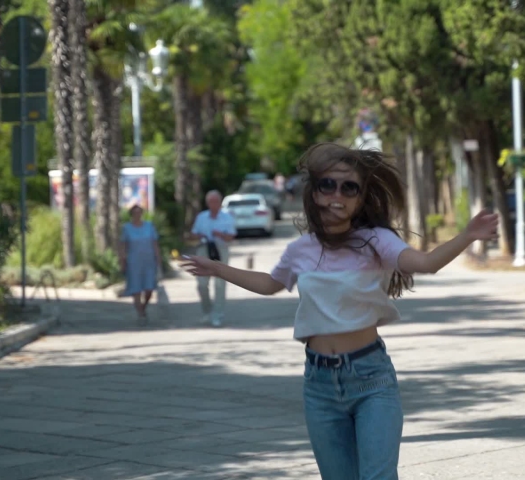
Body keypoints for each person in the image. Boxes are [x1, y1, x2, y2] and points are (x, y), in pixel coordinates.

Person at [181, 143, 499, 479]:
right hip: (318, 385)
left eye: (350, 188)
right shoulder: (300, 250)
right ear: (315, 192)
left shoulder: (376, 240)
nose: (338, 194)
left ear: (360, 199)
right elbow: (270, 283)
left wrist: (468, 235)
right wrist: (218, 268)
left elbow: (425, 263)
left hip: (371, 378)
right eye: (328, 184)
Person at [190, 190, 237, 327]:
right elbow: (193, 234)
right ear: (207, 203)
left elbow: (231, 236)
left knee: (220, 283)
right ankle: (207, 312)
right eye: (211, 201)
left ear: (220, 202)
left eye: (216, 201)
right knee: (201, 283)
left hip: (220, 250)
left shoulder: (227, 217)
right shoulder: (201, 217)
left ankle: (218, 314)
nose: (214, 204)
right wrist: (200, 235)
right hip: (204, 249)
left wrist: (221, 234)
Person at [119, 204, 162, 321]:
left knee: (149, 288)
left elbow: (155, 244)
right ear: (132, 215)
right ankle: (140, 312)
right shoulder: (127, 228)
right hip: (134, 261)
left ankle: (144, 306)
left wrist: (158, 260)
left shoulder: (149, 226)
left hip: (149, 261)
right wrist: (122, 261)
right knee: (136, 287)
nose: (137, 215)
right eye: (135, 213)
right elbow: (123, 246)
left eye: (139, 213)